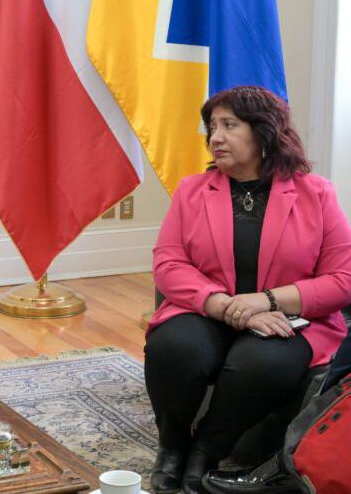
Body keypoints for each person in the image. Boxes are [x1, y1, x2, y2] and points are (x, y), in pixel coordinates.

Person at [144, 86, 351, 494]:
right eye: (212, 127)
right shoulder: (192, 190)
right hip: (206, 309)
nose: (215, 138)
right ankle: (172, 447)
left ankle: (206, 450)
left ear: (264, 132)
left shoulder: (316, 193)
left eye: (229, 125)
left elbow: (342, 279)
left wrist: (266, 300)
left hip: (288, 318)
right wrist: (224, 305)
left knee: (262, 363)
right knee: (174, 349)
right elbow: (168, 264)